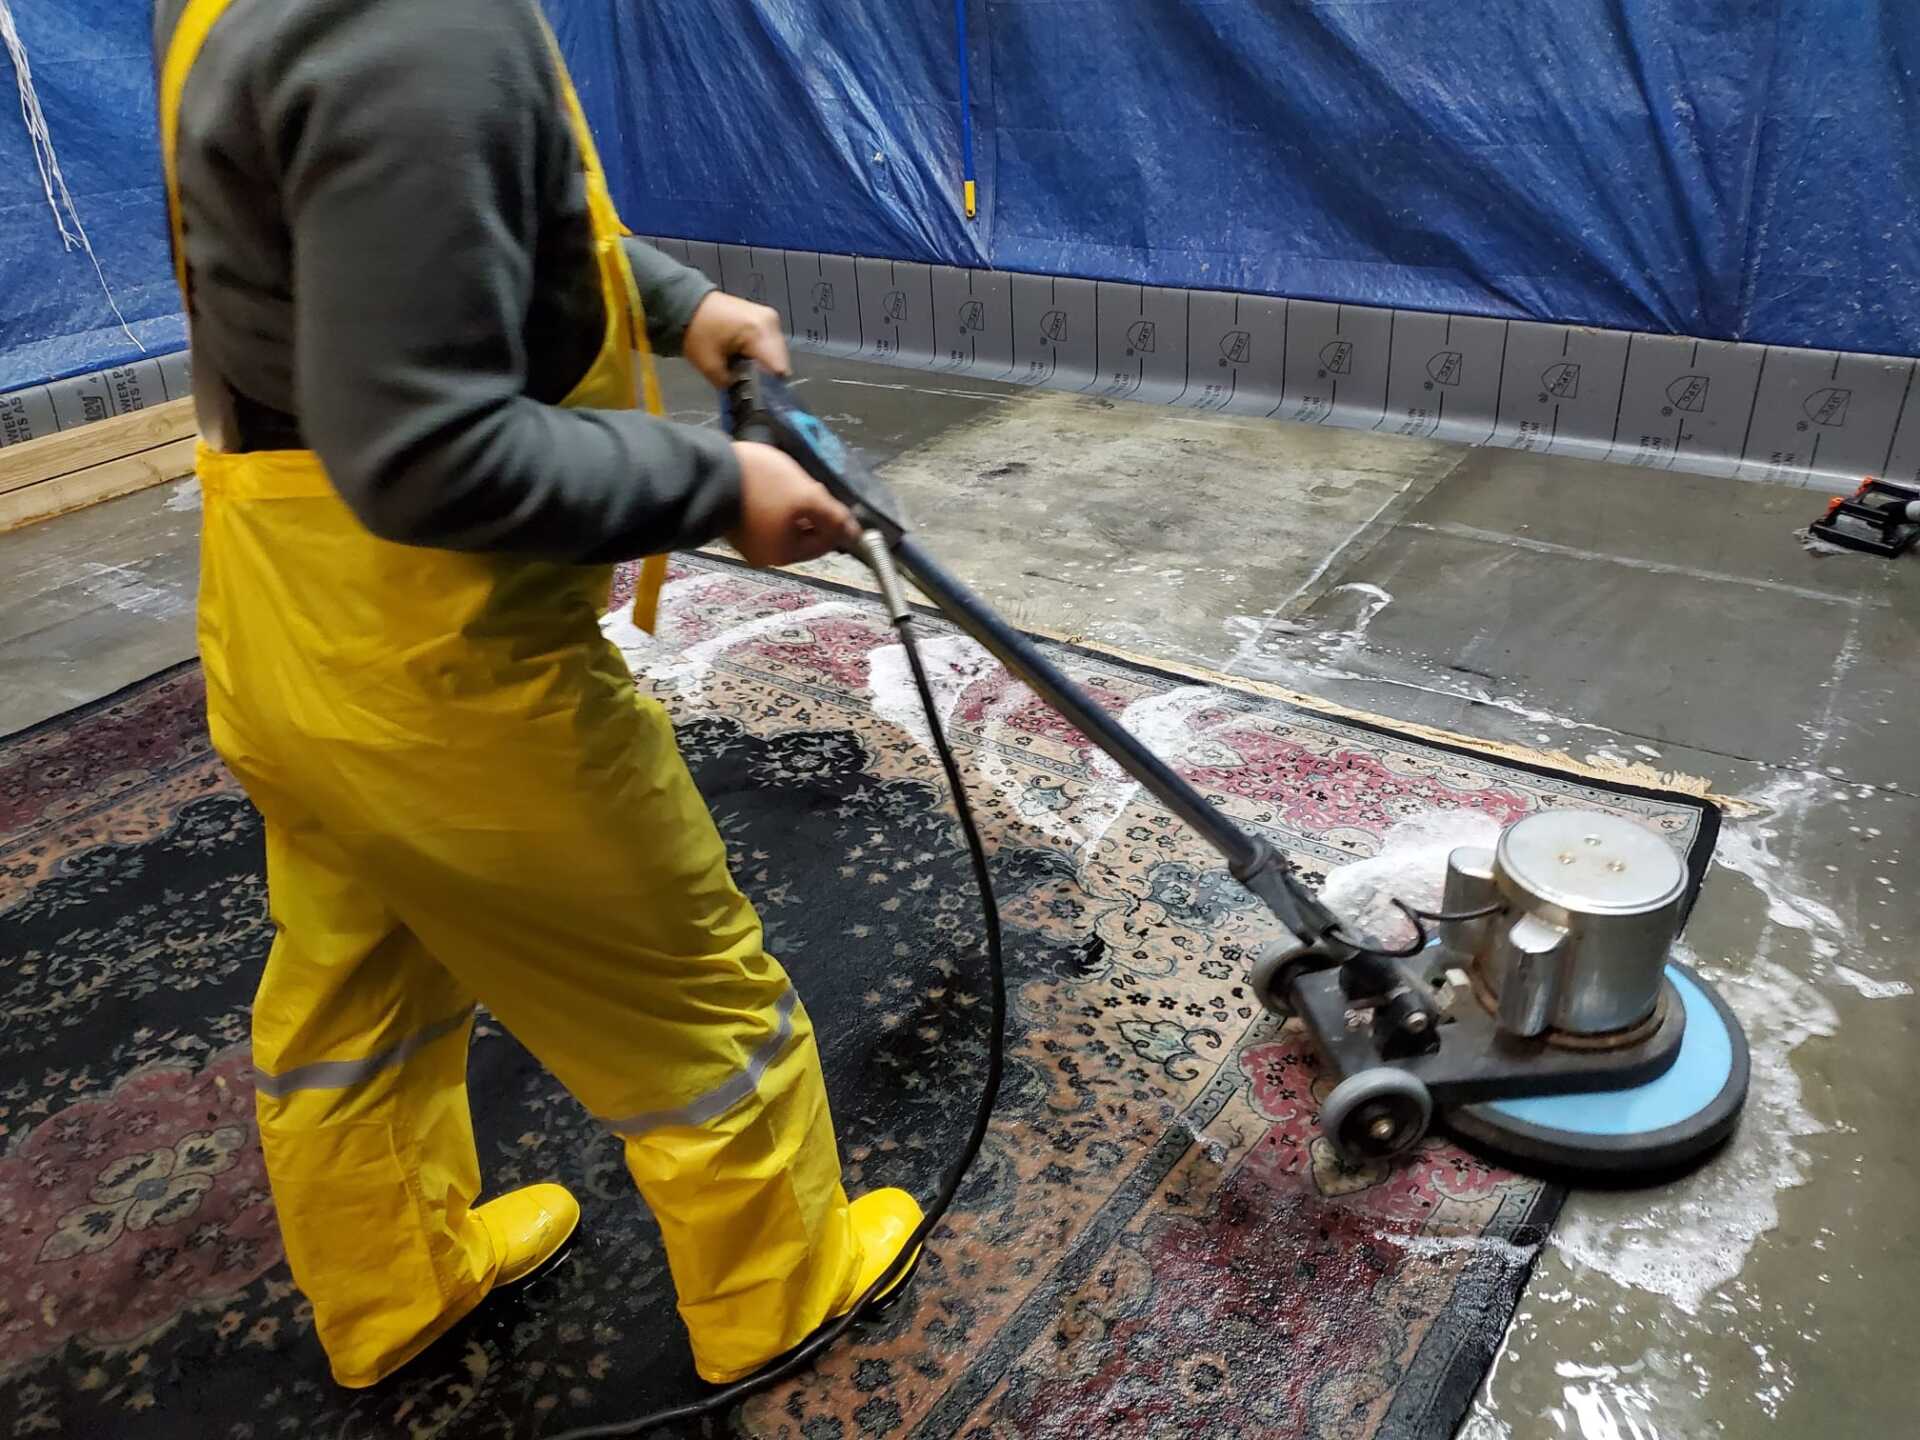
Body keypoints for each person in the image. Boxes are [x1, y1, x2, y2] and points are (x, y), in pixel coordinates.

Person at [153, 0, 921, 1390]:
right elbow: (424, 452)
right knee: (693, 997)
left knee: (352, 996)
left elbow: (425, 235)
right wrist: (719, 488)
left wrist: (677, 305)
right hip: (440, 663)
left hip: (281, 620)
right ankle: (781, 1289)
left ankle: (394, 1286)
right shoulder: (414, 24)